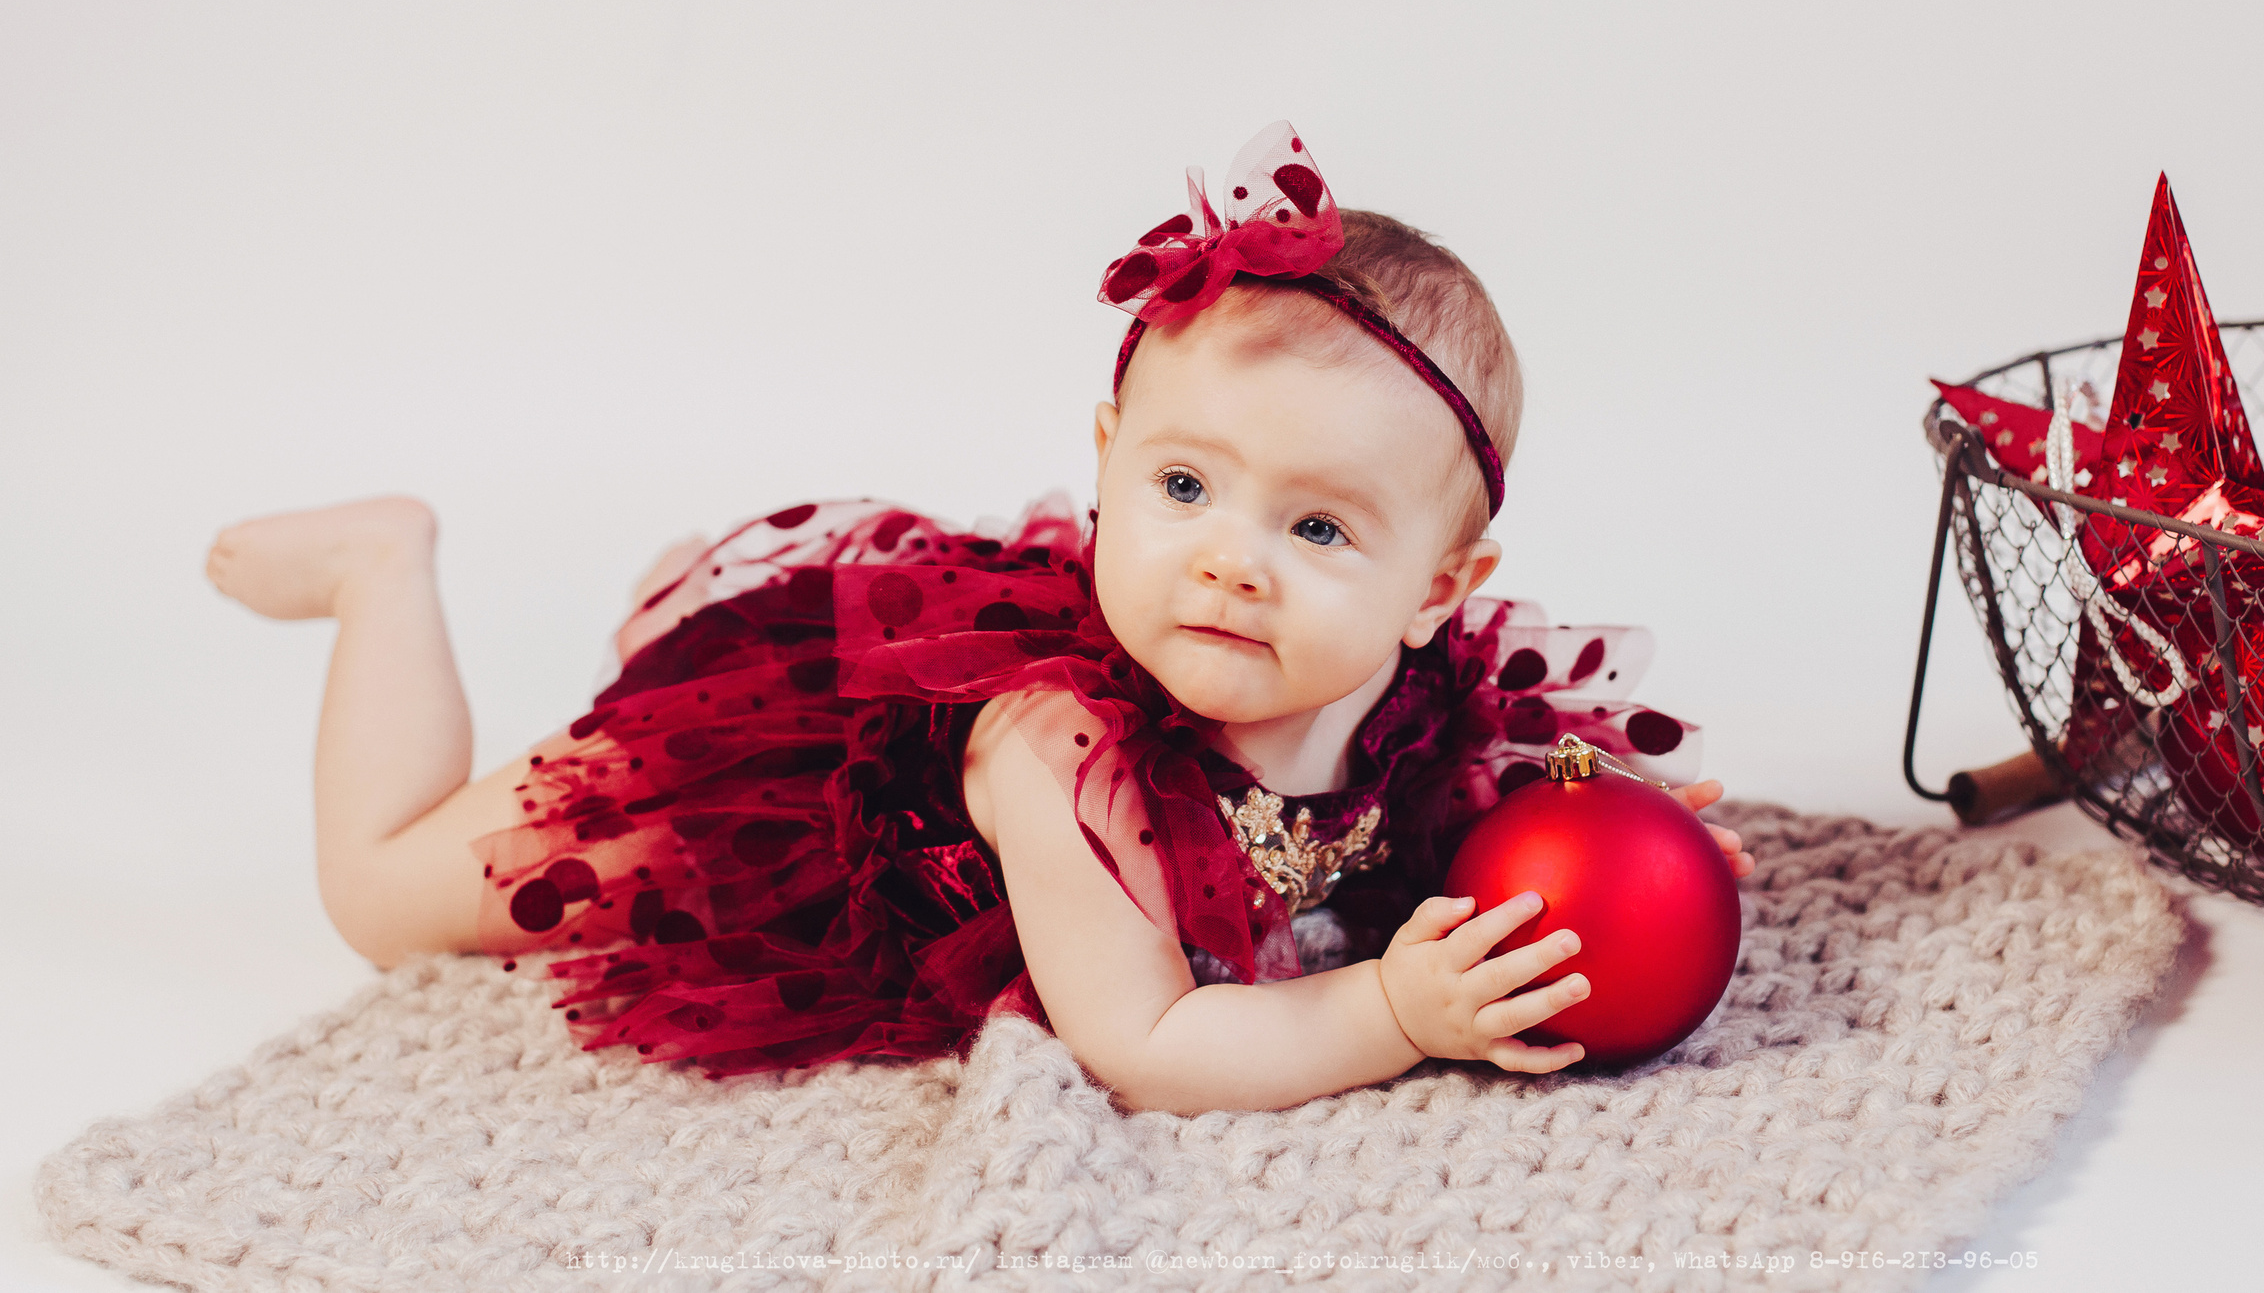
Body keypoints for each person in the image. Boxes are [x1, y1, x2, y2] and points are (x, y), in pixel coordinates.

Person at [204, 124, 1753, 1114]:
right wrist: (1395, 1007)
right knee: (385, 895)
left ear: (1437, 594)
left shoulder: (1415, 694)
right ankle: (380, 572)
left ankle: (652, 621)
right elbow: (1143, 1047)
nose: (1230, 564)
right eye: (1186, 488)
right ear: (1106, 469)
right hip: (782, 810)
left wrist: (1596, 832)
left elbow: (1473, 789)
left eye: (1321, 526)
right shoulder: (1055, 747)